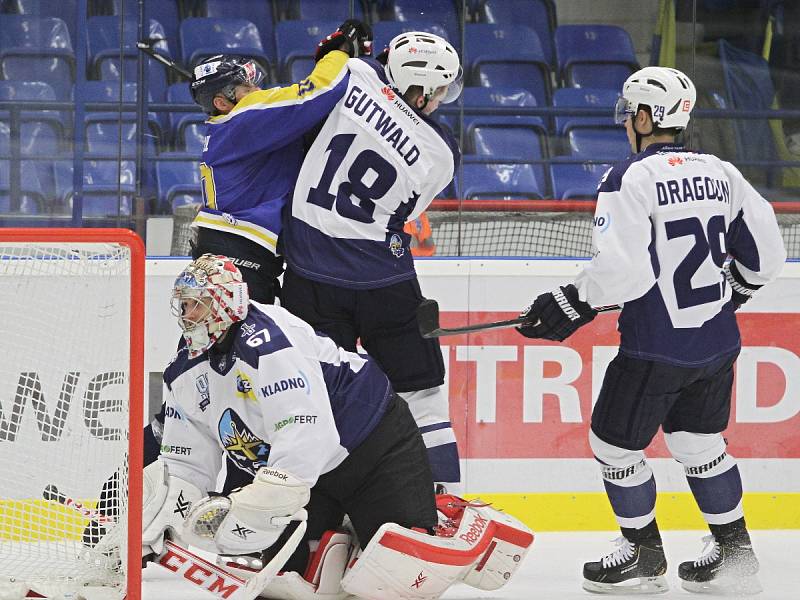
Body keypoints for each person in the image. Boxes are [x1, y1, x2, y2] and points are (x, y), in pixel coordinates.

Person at [516, 66, 786, 595]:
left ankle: (642, 554)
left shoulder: (629, 178)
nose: (625, 122)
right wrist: (735, 292)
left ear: (644, 116)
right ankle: (735, 553)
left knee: (614, 446)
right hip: (716, 342)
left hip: (655, 345)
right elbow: (767, 255)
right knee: (698, 441)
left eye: (628, 111)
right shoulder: (722, 172)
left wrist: (569, 302)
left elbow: (624, 273)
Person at [140, 254, 533, 599]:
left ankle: (443, 514)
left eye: (196, 305)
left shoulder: (268, 340)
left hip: (373, 448)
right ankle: (344, 529)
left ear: (224, 305)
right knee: (290, 579)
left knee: (396, 576)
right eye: (184, 306)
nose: (187, 315)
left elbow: (308, 432)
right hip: (310, 478)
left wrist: (259, 502)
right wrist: (167, 516)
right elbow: (187, 461)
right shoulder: (186, 371)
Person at [279, 32, 463, 489]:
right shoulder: (442, 154)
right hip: (384, 280)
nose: (441, 101)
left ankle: (323, 515)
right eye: (438, 91)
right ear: (420, 89)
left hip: (309, 275)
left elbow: (311, 105)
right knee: (422, 397)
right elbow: (408, 213)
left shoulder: (353, 74)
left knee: (321, 396)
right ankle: (446, 506)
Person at [187, 20, 372, 305]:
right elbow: (315, 92)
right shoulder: (244, 118)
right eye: (244, 86)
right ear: (222, 102)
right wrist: (340, 52)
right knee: (237, 345)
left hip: (231, 248)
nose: (255, 90)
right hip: (239, 251)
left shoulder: (232, 127)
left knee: (213, 338)